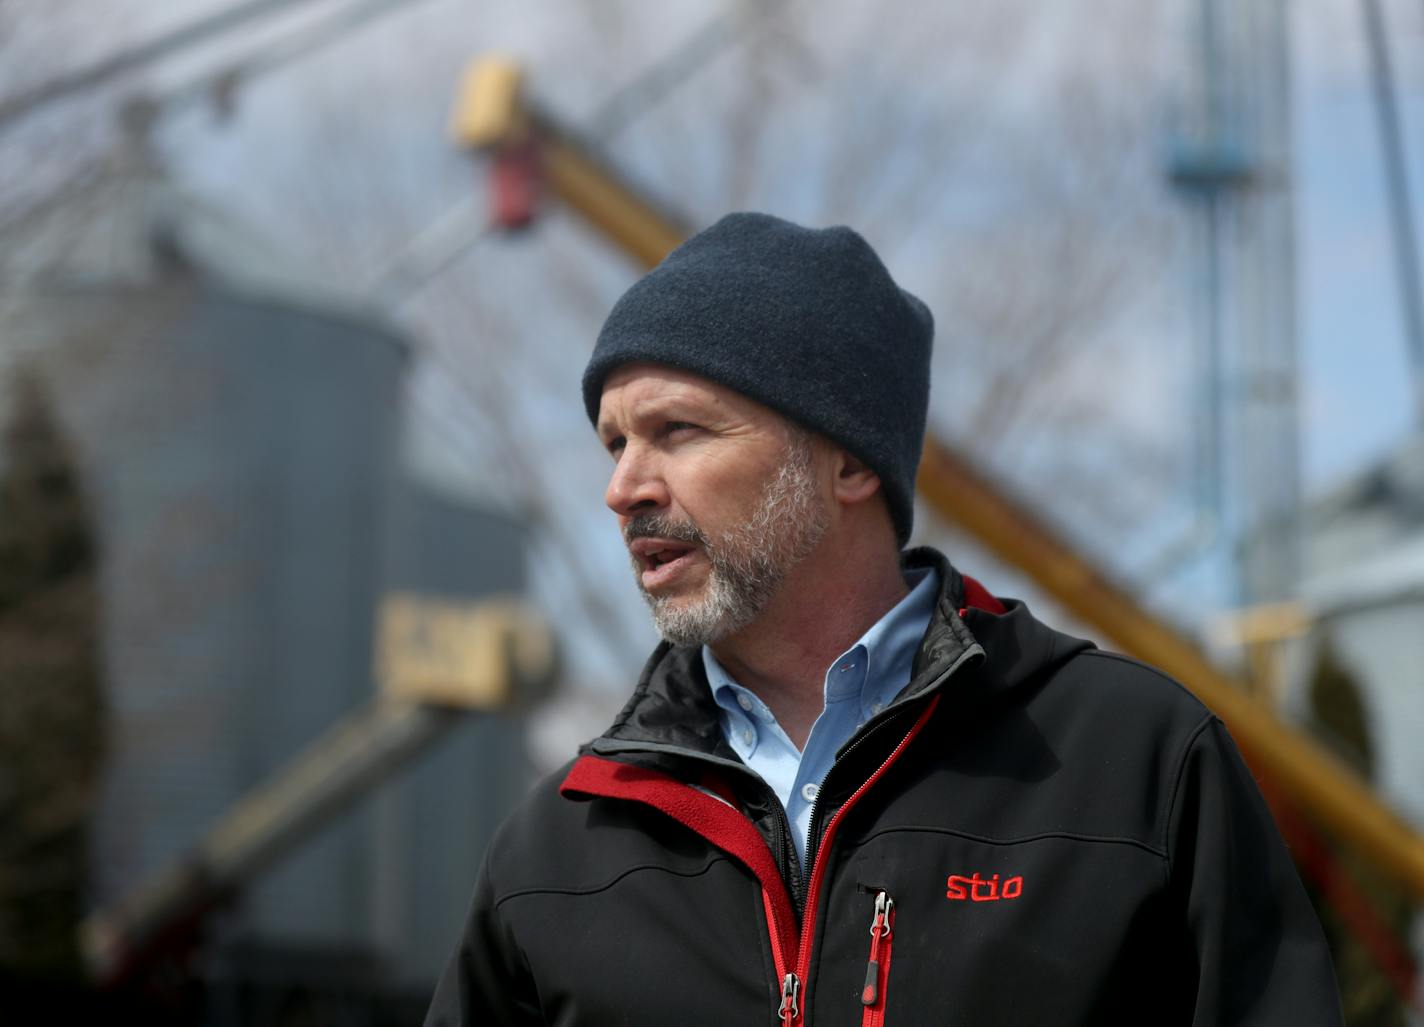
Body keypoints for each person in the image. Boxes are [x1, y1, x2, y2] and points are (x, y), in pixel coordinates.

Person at [425, 213, 1342, 1025]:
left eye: (678, 431)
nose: (623, 487)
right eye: (615, 441)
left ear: (849, 465)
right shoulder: (558, 848)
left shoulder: (1134, 764)